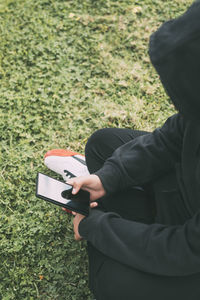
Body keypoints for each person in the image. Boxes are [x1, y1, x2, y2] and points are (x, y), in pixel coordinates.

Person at [45, 1, 200, 299]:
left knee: (114, 283)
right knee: (104, 145)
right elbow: (171, 139)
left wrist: (98, 228)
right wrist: (109, 178)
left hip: (191, 250)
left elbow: (185, 249)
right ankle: (117, 209)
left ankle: (114, 220)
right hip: (187, 199)